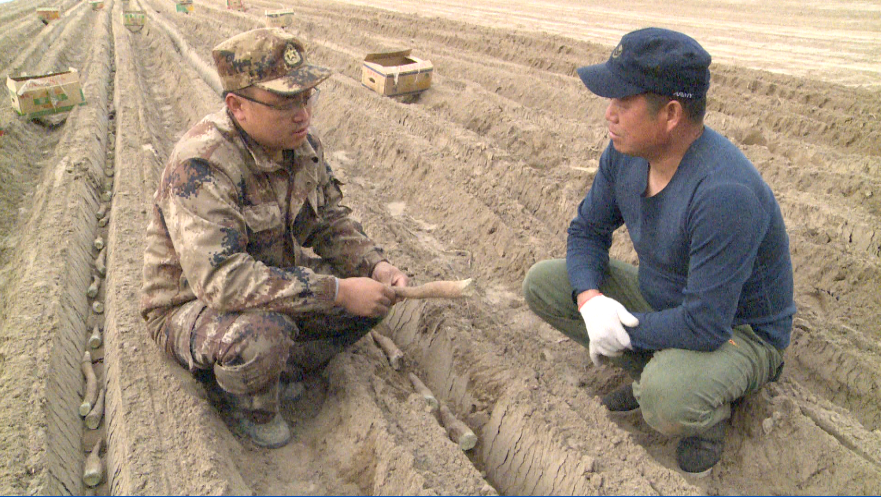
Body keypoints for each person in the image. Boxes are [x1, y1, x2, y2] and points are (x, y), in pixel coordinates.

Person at [522, 27, 795, 475]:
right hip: (669, 298)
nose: (609, 114)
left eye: (623, 103)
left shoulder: (724, 193)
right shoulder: (625, 153)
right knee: (546, 284)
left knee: (666, 397)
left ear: (670, 114)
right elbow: (587, 231)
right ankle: (652, 364)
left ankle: (707, 414)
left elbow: (707, 323)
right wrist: (591, 301)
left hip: (738, 327)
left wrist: (624, 332)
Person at [140, 28, 408, 449]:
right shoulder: (201, 165)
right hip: (191, 304)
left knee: (372, 299)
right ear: (237, 107)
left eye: (307, 97)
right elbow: (223, 282)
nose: (303, 114)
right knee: (265, 334)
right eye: (285, 102)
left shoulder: (301, 144)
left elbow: (330, 218)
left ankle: (281, 370)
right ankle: (248, 400)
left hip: (268, 277)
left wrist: (374, 266)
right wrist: (335, 290)